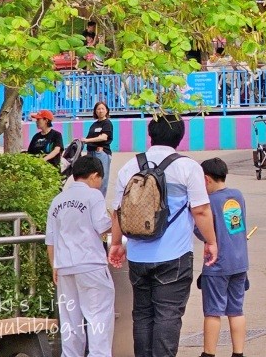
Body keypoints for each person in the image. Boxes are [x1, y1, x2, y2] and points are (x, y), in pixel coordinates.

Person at [109, 115, 218, 357]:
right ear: (180, 137)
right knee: (168, 315)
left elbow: (118, 213)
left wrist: (116, 244)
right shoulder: (188, 167)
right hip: (175, 257)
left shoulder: (130, 167)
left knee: (143, 315)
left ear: (151, 135)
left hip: (138, 257)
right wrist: (211, 242)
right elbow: (200, 210)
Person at [46, 154, 115, 357]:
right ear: (94, 175)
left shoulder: (57, 200)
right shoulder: (93, 196)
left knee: (70, 323)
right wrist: (116, 217)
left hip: (65, 267)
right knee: (98, 319)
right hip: (91, 265)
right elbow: (104, 226)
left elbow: (50, 239)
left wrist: (54, 267)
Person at [197, 158, 249, 357]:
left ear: (206, 179)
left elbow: (202, 229)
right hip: (239, 262)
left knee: (213, 311)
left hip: (217, 265)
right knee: (236, 310)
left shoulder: (209, 202)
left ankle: (209, 353)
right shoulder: (237, 195)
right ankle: (238, 352)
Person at [85, 100, 116, 196]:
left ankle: (100, 200)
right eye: (98, 109)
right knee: (90, 178)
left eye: (103, 109)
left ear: (107, 111)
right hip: (91, 153)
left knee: (102, 178)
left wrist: (87, 141)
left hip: (101, 153)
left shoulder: (107, 123)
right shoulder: (94, 125)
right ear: (95, 111)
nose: (101, 111)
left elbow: (104, 137)